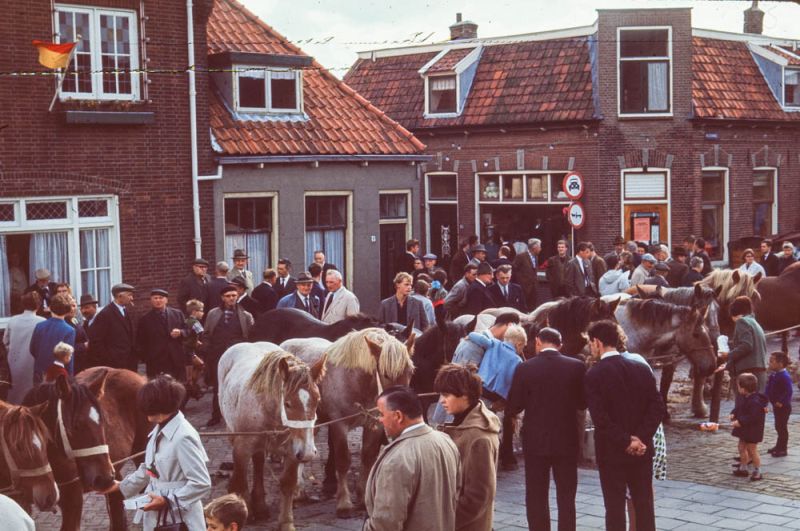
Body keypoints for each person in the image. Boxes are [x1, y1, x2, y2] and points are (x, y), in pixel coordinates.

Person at [584, 320, 665, 531]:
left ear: (597, 342)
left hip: (612, 450)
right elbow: (657, 407)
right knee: (644, 504)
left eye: (590, 343)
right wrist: (641, 438)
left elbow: (601, 418)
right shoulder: (641, 368)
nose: (590, 348)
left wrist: (625, 441)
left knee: (614, 507)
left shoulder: (594, 374)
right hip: (642, 450)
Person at [104, 375, 212, 530]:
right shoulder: (159, 429)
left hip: (180, 518)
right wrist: (121, 486)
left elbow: (201, 483)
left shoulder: (183, 437)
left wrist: (168, 501)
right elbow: (150, 469)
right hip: (158, 514)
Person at [507, 327, 586, 531]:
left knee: (536, 494)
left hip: (535, 440)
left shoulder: (525, 368)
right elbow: (582, 403)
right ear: (560, 345)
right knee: (566, 495)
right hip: (567, 439)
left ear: (537, 342)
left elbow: (515, 405)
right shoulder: (577, 366)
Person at [363, 386, 461, 531]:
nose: (380, 420)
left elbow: (386, 523)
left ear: (398, 416)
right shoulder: (446, 441)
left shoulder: (396, 459)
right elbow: (456, 495)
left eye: (381, 414)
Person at [435, 364, 500, 531]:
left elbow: (479, 496)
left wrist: (444, 523)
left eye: (446, 395)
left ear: (464, 395)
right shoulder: (463, 421)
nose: (441, 400)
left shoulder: (478, 437)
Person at [203, 284, 254, 426]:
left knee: (239, 384)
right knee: (218, 385)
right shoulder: (213, 314)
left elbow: (251, 337)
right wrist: (207, 350)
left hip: (238, 356)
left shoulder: (246, 316)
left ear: (237, 296)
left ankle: (238, 414)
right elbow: (206, 334)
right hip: (217, 355)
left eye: (234, 296)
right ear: (222, 298)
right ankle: (216, 415)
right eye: (228, 296)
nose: (231, 298)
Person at [717, 295, 768, 400]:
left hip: (747, 375)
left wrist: (728, 355)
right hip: (759, 372)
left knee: (744, 407)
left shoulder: (742, 322)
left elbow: (746, 346)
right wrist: (728, 365)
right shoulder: (754, 322)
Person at [3, 292, 45, 403]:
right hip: (33, 363)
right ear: (38, 305)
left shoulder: (13, 320)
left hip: (14, 362)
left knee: (14, 394)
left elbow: (5, 342)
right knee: (31, 395)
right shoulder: (42, 322)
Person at [136, 289, 185, 379]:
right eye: (155, 298)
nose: (158, 300)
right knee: (158, 386)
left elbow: (188, 331)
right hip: (156, 362)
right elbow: (140, 341)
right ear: (151, 300)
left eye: (161, 298)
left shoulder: (177, 314)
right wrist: (147, 358)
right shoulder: (144, 320)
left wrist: (181, 332)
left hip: (176, 359)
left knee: (178, 385)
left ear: (166, 300)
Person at [89, 283, 137, 371]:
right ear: (120, 296)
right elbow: (96, 342)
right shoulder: (105, 314)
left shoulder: (125, 311)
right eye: (129, 295)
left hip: (129, 363)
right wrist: (109, 359)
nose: (132, 298)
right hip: (114, 365)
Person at [30, 293, 76, 384]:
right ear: (67, 311)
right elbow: (67, 358)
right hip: (58, 375)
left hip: (40, 371)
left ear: (50, 308)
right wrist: (70, 379)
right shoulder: (69, 330)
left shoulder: (39, 326)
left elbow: (32, 349)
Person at [730, 373, 767, 481]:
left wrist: (740, 422)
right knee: (741, 447)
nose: (738, 388)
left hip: (752, 430)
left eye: (738, 386)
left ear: (743, 388)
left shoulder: (755, 401)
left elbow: (753, 416)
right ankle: (743, 468)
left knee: (752, 450)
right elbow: (740, 408)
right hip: (745, 429)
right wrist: (734, 413)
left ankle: (758, 471)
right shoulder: (746, 397)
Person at [765, 352, 792, 458]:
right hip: (776, 406)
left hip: (783, 407)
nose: (769, 363)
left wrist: (781, 401)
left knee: (782, 427)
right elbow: (768, 388)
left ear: (780, 364)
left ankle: (783, 449)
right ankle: (778, 446)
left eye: (772, 361)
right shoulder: (774, 375)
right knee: (778, 426)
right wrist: (765, 398)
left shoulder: (785, 376)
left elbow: (788, 391)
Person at [181, 299, 206, 386]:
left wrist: (196, 340)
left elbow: (190, 334)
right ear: (194, 312)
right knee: (198, 366)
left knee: (198, 365)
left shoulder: (187, 321)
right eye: (201, 311)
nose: (203, 313)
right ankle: (192, 386)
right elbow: (202, 333)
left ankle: (193, 384)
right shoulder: (195, 322)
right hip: (188, 351)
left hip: (187, 349)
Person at [512, 238, 541, 311]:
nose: (540, 249)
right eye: (539, 247)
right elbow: (513, 269)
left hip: (533, 289)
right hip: (523, 289)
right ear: (534, 247)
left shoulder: (536, 257)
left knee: (533, 308)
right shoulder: (521, 256)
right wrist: (519, 282)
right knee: (523, 309)